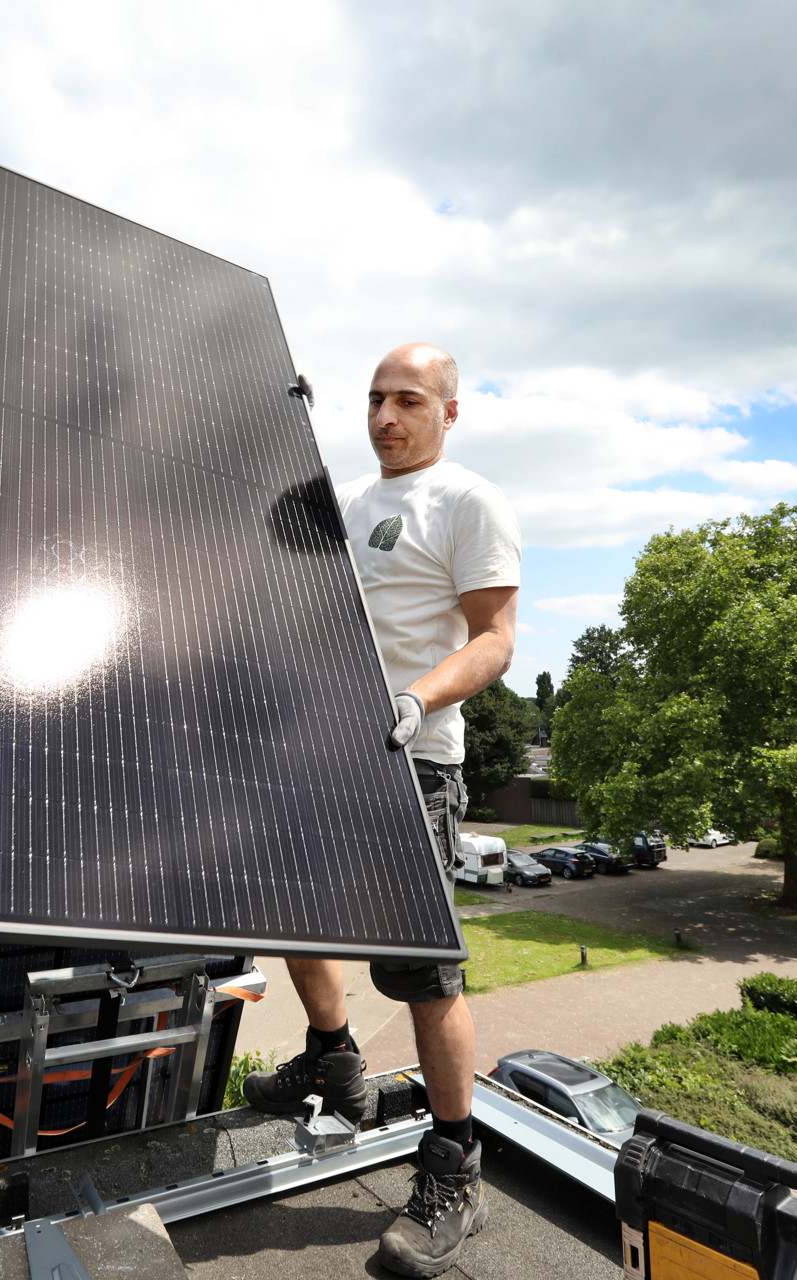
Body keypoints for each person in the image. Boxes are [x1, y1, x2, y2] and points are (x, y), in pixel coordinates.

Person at [241, 342, 519, 1278]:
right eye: (373, 401)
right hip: (319, 752)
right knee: (295, 917)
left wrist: (418, 698)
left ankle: (455, 1169)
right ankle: (333, 1059)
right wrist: (259, 420)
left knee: (424, 975)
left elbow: (496, 639)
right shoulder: (353, 501)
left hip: (412, 759)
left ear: (449, 411)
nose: (386, 417)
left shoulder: (469, 501)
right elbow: (267, 535)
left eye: (408, 400)